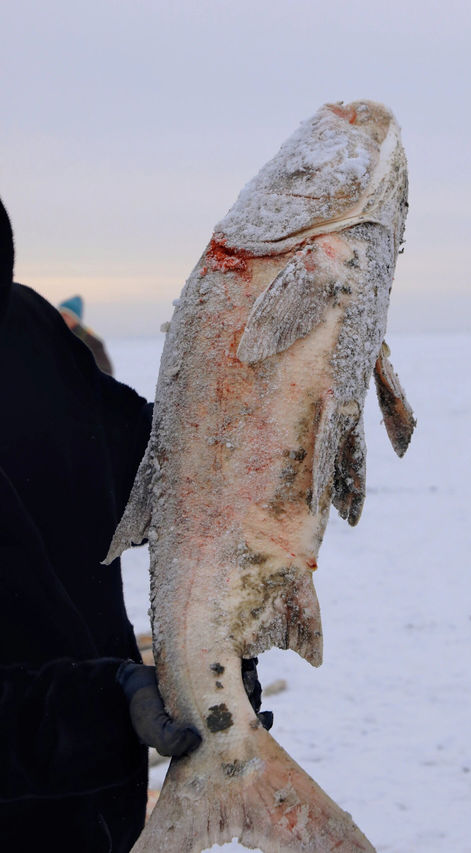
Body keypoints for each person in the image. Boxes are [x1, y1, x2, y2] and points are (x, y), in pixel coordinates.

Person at [0, 197, 207, 852]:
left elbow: (156, 468)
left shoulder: (25, 325)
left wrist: (212, 650)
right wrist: (108, 700)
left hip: (102, 811)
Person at [57, 294, 115, 376]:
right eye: (60, 314)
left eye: (66, 315)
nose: (62, 318)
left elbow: (106, 372)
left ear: (75, 319)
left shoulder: (92, 342)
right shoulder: (53, 336)